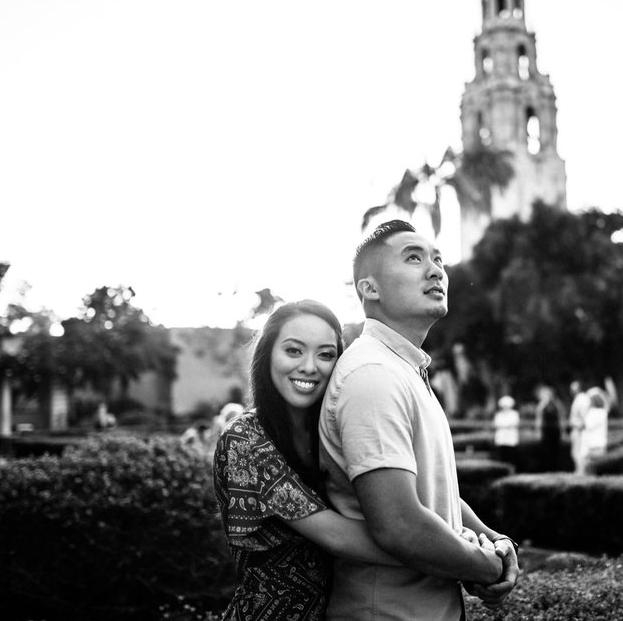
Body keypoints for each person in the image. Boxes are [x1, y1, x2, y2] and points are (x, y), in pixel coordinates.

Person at [319, 220, 519, 619]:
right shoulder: (371, 374)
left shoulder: (403, 369)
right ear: (369, 289)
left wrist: (492, 538)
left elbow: (429, 490)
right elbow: (399, 524)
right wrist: (485, 566)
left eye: (438, 259)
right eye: (414, 258)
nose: (436, 270)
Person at [214, 300, 425, 620]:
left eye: (326, 354)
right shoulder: (244, 440)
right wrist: (457, 558)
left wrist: (485, 536)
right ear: (268, 355)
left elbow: (418, 488)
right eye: (294, 351)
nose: (310, 366)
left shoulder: (335, 429)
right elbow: (337, 536)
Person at [534, 384, 563, 472]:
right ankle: (546, 469)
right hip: (546, 431)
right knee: (546, 452)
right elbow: (538, 418)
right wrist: (538, 431)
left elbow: (561, 417)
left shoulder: (556, 403)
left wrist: (562, 431)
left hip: (555, 431)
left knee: (555, 452)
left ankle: (554, 469)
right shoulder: (542, 405)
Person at [568, 381, 590, 474]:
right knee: (576, 452)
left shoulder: (582, 399)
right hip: (577, 429)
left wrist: (579, 426)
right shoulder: (579, 399)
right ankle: (580, 470)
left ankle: (581, 471)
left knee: (577, 452)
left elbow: (583, 417)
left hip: (579, 430)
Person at [492, 395, 520, 468]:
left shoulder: (514, 414)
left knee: (511, 458)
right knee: (501, 458)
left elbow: (513, 424)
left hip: (511, 441)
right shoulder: (499, 415)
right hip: (501, 440)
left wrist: (504, 426)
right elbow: (496, 424)